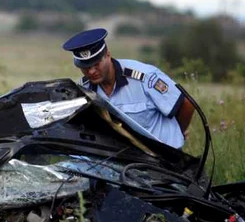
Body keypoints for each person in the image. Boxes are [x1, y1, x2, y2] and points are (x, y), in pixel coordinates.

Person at [62, 28, 195, 149]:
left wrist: (178, 132)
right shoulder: (84, 90)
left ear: (108, 55)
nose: (91, 72)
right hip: (125, 160)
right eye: (85, 67)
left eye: (96, 64)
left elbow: (186, 103)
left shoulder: (144, 77)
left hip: (164, 159)